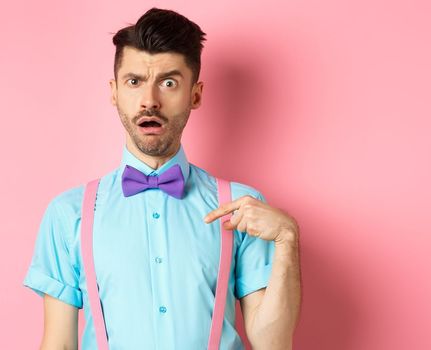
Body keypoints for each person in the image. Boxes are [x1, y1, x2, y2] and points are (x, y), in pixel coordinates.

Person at [22, 7, 301, 350]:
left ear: (195, 95)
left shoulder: (242, 208)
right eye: (134, 81)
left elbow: (272, 344)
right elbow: (59, 345)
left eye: (169, 83)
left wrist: (287, 238)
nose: (149, 101)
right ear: (114, 92)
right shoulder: (69, 214)